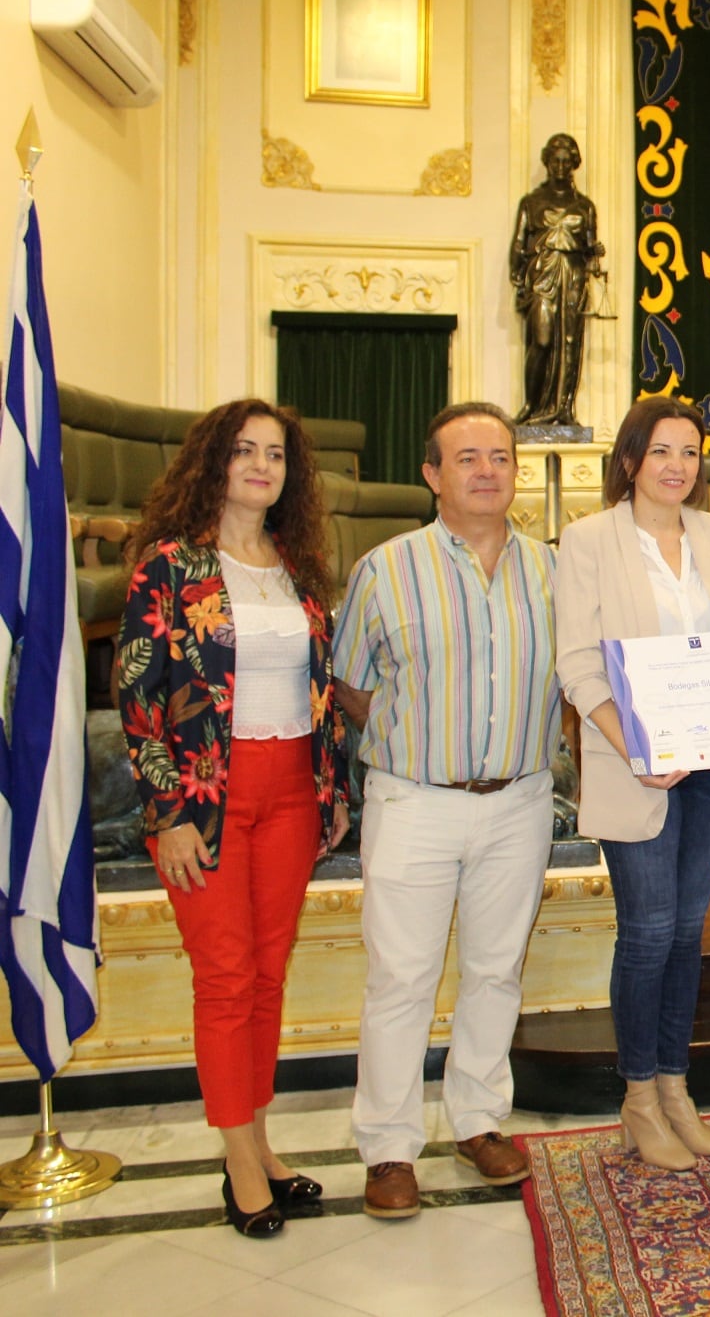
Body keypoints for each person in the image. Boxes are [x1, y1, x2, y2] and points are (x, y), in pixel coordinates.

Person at [117, 400, 349, 1238]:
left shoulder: (296, 568)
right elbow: (138, 699)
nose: (260, 465)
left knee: (266, 974)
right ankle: (238, 1161)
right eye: (244, 451)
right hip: (205, 798)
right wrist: (167, 812)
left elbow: (320, 698)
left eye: (276, 454)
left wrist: (331, 796)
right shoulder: (171, 566)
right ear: (213, 463)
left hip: (292, 790)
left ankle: (258, 1135)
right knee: (222, 975)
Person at [334, 402, 561, 1218]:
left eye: (500, 456)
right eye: (468, 458)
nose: (487, 471)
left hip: (521, 799)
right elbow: (353, 686)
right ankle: (390, 1146)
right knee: (402, 976)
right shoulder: (384, 569)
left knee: (497, 969)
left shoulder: (554, 570)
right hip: (416, 800)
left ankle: (477, 1118)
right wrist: (422, 746)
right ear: (433, 473)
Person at [557, 396, 710, 1167]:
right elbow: (577, 662)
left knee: (688, 934)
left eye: (690, 452)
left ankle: (677, 1086)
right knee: (645, 932)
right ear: (631, 459)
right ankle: (638, 1096)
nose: (678, 465)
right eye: (662, 450)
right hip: (634, 766)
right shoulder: (588, 539)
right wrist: (636, 746)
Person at [511, 132, 605, 426]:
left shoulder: (585, 206)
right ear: (547, 162)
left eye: (566, 161)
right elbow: (518, 244)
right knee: (541, 339)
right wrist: (518, 280)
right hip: (543, 273)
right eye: (556, 161)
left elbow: (591, 251)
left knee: (570, 342)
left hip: (574, 275)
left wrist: (594, 255)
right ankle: (532, 404)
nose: (561, 166)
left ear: (574, 164)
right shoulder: (531, 202)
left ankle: (564, 409)